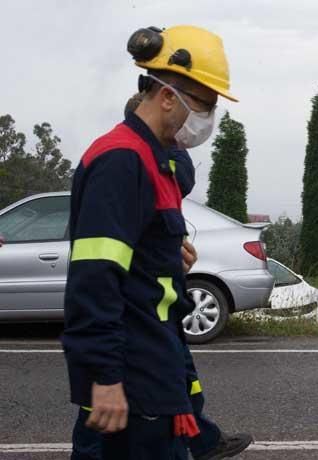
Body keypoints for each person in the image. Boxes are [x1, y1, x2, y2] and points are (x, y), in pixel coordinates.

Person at [62, 25, 251, 459]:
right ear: (167, 96)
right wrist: (105, 378)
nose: (207, 120)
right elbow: (94, 280)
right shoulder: (121, 160)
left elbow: (135, 261)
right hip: (132, 379)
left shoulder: (155, 159)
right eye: (203, 106)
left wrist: (166, 261)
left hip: (155, 368)